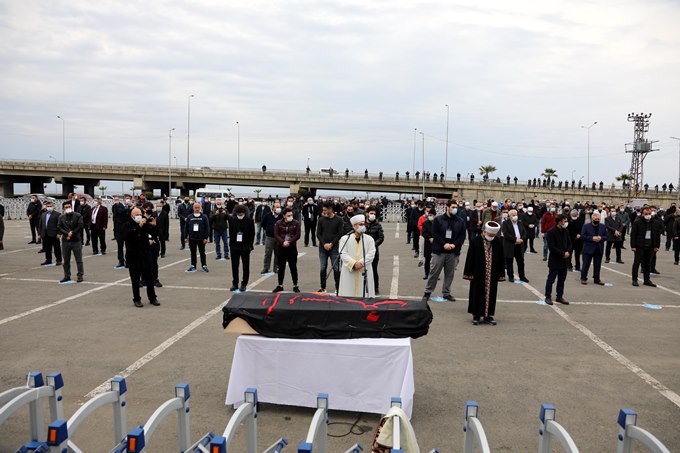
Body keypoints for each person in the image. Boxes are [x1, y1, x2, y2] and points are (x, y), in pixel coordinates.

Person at [422, 200, 467, 302]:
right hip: (439, 252)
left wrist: (454, 245)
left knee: (449, 274)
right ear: (447, 207)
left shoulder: (460, 221)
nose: (455, 209)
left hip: (453, 252)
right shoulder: (438, 220)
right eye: (453, 207)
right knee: (434, 273)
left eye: (456, 207)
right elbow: (435, 234)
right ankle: (427, 292)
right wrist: (444, 244)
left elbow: (462, 236)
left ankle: (446, 293)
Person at [463, 221, 506, 325]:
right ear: (485, 231)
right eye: (490, 234)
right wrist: (469, 272)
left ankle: (488, 315)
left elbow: (501, 258)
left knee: (491, 293)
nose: (491, 236)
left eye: (493, 235)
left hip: (492, 273)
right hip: (478, 273)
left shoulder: (498, 242)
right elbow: (470, 257)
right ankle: (476, 315)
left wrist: (501, 273)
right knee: (477, 293)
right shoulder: (476, 241)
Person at [123, 207, 159, 308]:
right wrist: (139, 226)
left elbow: (154, 233)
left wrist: (154, 226)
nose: (139, 216)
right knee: (135, 280)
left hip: (145, 255)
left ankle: (152, 297)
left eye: (140, 214)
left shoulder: (145, 224)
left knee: (150, 279)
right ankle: (137, 299)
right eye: (137, 215)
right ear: (132, 216)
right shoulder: (127, 225)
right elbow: (127, 236)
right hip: (133, 256)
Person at [338, 214, 376, 297]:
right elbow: (343, 253)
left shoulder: (369, 239)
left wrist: (361, 263)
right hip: (349, 270)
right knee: (348, 294)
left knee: (364, 294)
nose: (363, 226)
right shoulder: (345, 238)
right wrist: (353, 264)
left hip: (364, 269)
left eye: (364, 224)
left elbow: (371, 253)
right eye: (361, 224)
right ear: (354, 226)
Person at [316, 202, 344, 293]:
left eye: (325, 210)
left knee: (336, 268)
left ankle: (338, 287)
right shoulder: (320, 220)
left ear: (330, 209)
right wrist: (324, 244)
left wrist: (331, 244)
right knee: (322, 267)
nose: (323, 211)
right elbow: (318, 234)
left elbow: (340, 234)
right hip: (322, 247)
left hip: (334, 248)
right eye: (323, 210)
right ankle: (323, 287)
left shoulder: (339, 220)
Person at [544, 214, 572, 305]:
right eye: (565, 221)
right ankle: (548, 296)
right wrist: (562, 254)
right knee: (551, 279)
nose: (566, 223)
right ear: (559, 222)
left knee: (561, 279)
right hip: (555, 260)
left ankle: (559, 296)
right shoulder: (551, 232)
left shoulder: (566, 231)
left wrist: (568, 251)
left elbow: (569, 243)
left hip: (564, 260)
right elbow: (552, 247)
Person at [272, 208, 301, 292]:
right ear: (284, 215)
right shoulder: (278, 223)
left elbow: (298, 235)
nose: (290, 217)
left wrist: (289, 241)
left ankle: (295, 285)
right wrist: (282, 242)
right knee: (281, 267)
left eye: (291, 215)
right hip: (281, 248)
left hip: (291, 248)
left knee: (293, 267)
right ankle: (280, 285)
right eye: (288, 215)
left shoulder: (296, 223)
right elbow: (276, 234)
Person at [57, 201, 85, 283]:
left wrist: (72, 233)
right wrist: (66, 234)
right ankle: (67, 276)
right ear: (63, 209)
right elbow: (59, 227)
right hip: (66, 241)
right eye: (66, 207)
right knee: (66, 260)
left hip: (76, 240)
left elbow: (80, 226)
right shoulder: (61, 217)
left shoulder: (78, 215)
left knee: (78, 259)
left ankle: (80, 275)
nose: (68, 208)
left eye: (69, 206)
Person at [229, 204, 255, 292]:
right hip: (234, 246)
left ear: (244, 213)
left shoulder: (250, 221)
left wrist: (250, 246)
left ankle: (244, 284)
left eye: (241, 214)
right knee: (234, 266)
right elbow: (231, 233)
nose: (240, 215)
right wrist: (231, 245)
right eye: (238, 214)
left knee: (245, 266)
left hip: (245, 246)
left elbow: (252, 234)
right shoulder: (232, 220)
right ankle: (235, 283)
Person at [630, 207, 659, 287]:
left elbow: (657, 235)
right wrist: (633, 246)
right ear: (642, 214)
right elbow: (633, 234)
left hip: (650, 246)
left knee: (648, 264)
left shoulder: (655, 222)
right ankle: (634, 279)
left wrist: (657, 246)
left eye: (649, 214)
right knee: (637, 263)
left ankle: (647, 280)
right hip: (640, 246)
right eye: (646, 214)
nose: (648, 215)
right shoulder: (638, 222)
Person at [580, 211, 608, 285]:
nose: (597, 221)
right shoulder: (586, 226)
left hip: (598, 248)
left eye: (598, 219)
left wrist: (601, 238)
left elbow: (606, 236)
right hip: (588, 248)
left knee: (597, 265)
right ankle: (583, 278)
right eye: (595, 219)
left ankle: (597, 278)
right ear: (592, 219)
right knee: (586, 264)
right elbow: (583, 236)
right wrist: (592, 238)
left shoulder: (603, 226)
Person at [501, 209, 528, 283]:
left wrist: (522, 239)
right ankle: (511, 276)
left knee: (521, 262)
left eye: (516, 215)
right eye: (513, 215)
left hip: (519, 246)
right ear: (509, 216)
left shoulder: (520, 223)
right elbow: (506, 234)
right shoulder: (505, 223)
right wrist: (515, 240)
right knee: (509, 262)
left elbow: (524, 232)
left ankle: (522, 276)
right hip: (510, 245)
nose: (515, 216)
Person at [184, 202, 210, 272]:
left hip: (201, 239)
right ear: (193, 208)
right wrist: (185, 237)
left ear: (200, 208)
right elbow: (186, 228)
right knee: (193, 253)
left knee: (202, 252)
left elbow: (207, 228)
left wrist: (206, 238)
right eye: (195, 207)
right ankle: (193, 266)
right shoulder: (189, 217)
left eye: (198, 207)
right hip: (192, 238)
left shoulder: (204, 217)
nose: (197, 209)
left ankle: (204, 265)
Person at [365, 206, 384, 294]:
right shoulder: (362, 224)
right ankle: (364, 287)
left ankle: (375, 288)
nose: (373, 215)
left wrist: (373, 245)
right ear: (367, 214)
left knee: (373, 269)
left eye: (374, 214)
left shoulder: (378, 225)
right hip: (362, 250)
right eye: (371, 213)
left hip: (373, 251)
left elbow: (381, 238)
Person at [261, 201, 282, 274]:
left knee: (278, 253)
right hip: (269, 237)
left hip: (279, 238)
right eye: (277, 207)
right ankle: (266, 268)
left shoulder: (282, 216)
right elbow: (263, 224)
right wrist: (268, 229)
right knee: (268, 253)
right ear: (273, 208)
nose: (278, 209)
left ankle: (276, 268)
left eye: (279, 207)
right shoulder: (267, 216)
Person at [39, 201, 62, 266]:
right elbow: (40, 224)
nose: (49, 207)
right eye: (48, 206)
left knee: (56, 248)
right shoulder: (43, 214)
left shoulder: (57, 214)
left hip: (54, 234)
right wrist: (40, 233)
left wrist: (59, 233)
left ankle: (58, 260)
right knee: (47, 248)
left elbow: (60, 225)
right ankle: (48, 260)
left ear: (53, 206)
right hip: (45, 234)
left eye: (50, 206)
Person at [112, 195, 131, 267]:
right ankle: (121, 261)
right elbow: (120, 212)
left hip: (127, 229)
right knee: (120, 247)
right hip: (119, 229)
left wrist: (131, 207)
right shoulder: (117, 206)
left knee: (128, 246)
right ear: (123, 200)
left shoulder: (131, 206)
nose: (127, 200)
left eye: (129, 199)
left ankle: (128, 260)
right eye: (126, 199)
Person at [421, 208, 435, 279]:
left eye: (431, 215)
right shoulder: (425, 223)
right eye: (429, 215)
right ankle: (427, 273)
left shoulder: (437, 223)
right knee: (427, 259)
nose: (430, 216)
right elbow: (424, 233)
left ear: (434, 215)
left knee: (436, 261)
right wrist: (429, 238)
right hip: (428, 243)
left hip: (436, 244)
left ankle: (435, 274)